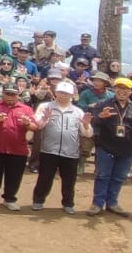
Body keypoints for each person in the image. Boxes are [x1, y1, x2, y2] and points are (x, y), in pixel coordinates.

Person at [87, 77, 132, 216]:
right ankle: (97, 204)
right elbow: (93, 124)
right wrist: (101, 118)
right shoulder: (102, 105)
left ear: (131, 91)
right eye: (119, 88)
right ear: (114, 89)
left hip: (126, 149)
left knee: (119, 177)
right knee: (102, 176)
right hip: (105, 147)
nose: (122, 91)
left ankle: (112, 203)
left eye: (126, 89)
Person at [30, 81, 91, 214]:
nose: (63, 95)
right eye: (61, 92)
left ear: (72, 95)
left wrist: (86, 125)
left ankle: (68, 203)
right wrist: (45, 118)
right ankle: (38, 201)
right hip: (48, 150)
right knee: (45, 178)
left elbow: (87, 134)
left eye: (67, 93)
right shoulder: (45, 107)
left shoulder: (77, 111)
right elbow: (37, 125)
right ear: (55, 92)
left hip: (71, 152)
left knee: (69, 181)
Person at [0, 85, 38, 210]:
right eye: (8, 94)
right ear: (3, 93)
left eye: (13, 94)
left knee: (14, 176)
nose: (10, 97)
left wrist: (27, 123)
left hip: (17, 149)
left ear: (18, 95)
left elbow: (34, 127)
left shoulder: (26, 108)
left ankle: (9, 198)